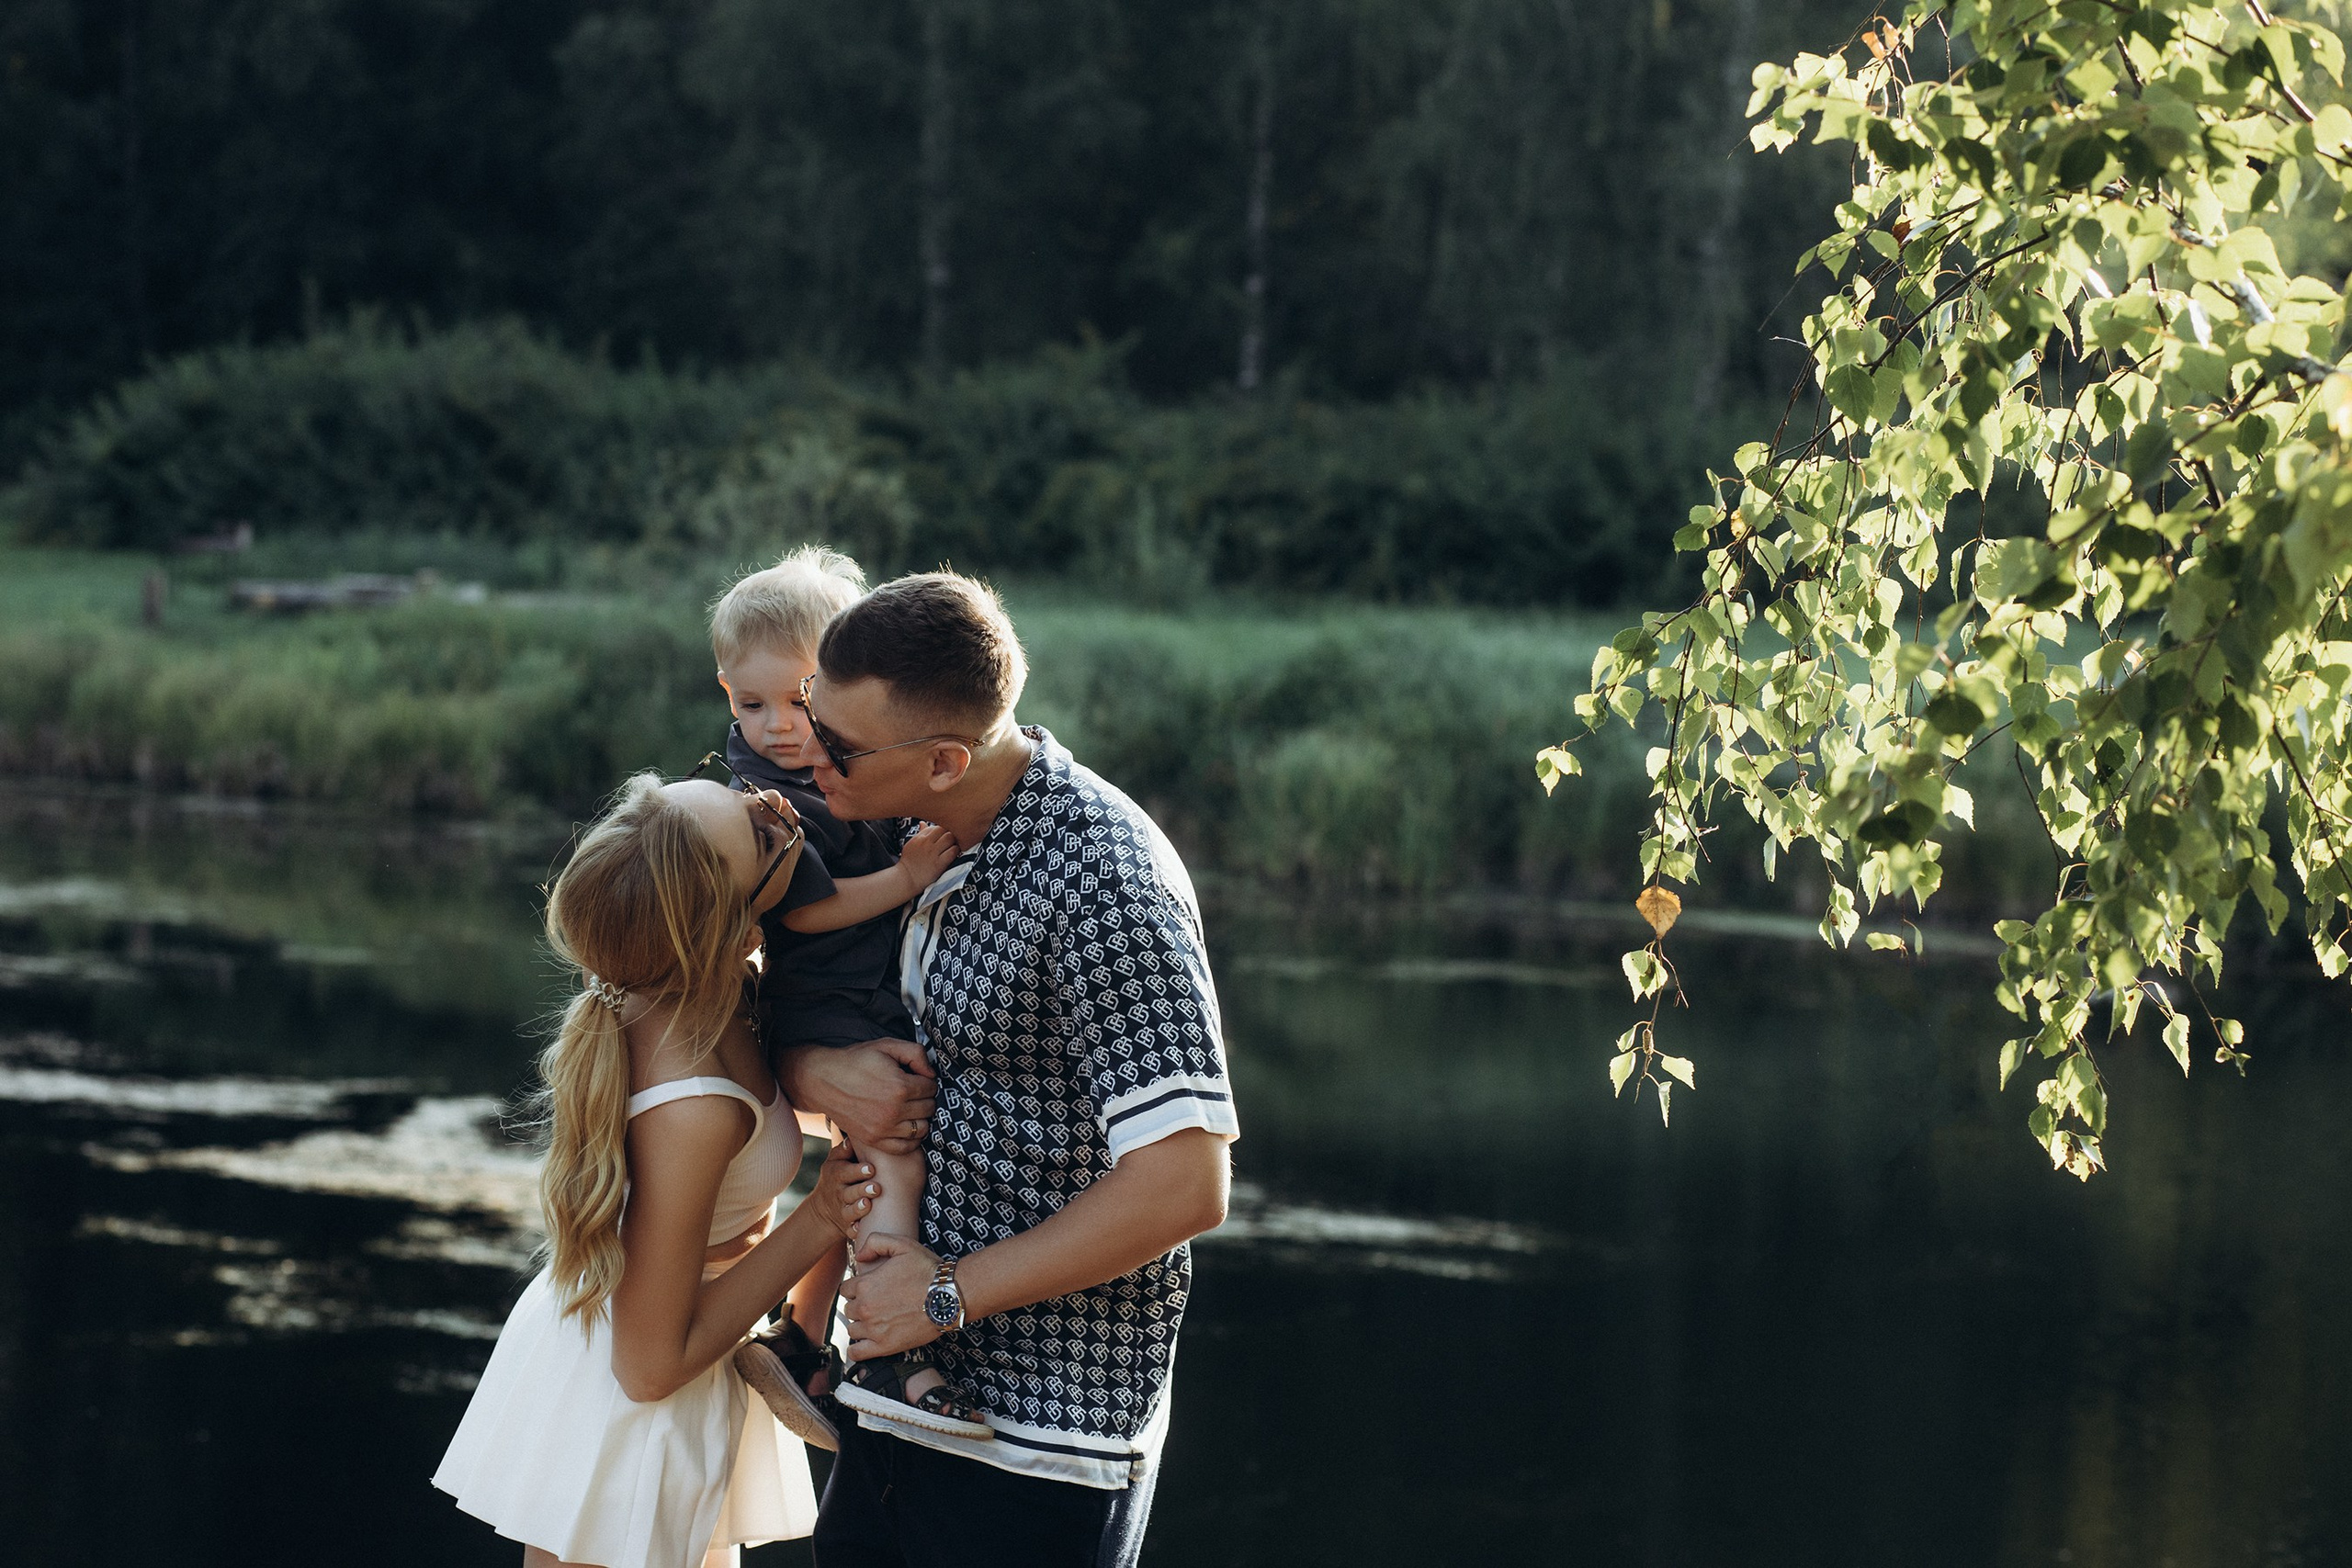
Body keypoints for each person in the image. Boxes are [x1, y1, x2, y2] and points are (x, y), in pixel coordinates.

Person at [792, 572, 1240, 1568]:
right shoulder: (912, 829)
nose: (805, 754)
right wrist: (812, 1068)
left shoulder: (1105, 884)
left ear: (946, 760)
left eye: (835, 744)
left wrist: (943, 1294)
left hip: (1035, 1444)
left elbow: (1185, 1181)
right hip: (889, 1401)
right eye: (807, 715)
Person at [433, 772, 875, 1568]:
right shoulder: (692, 1105)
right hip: (636, 1389)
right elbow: (648, 1366)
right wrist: (819, 1217)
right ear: (732, 924)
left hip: (672, 1345)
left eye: (742, 793)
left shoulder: (717, 991)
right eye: (762, 836)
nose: (774, 809)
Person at [703, 546, 989, 1442]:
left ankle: (801, 1330)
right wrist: (906, 879)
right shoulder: (755, 801)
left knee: (860, 1170)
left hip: (869, 997)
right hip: (821, 1000)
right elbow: (804, 912)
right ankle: (894, 1341)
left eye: (799, 704)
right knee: (889, 1157)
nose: (782, 728)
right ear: (725, 693)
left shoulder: (849, 770)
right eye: (753, 706)